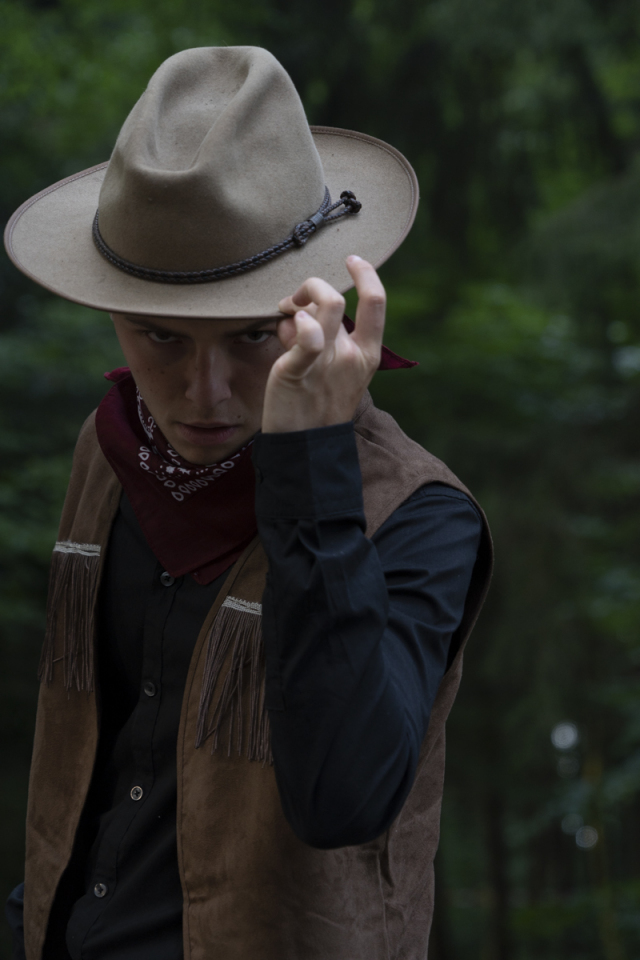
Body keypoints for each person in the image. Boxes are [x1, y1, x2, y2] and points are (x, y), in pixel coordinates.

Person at [3, 45, 492, 960]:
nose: (207, 393)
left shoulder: (417, 513)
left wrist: (310, 467)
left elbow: (342, 800)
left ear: (324, 309)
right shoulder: (108, 452)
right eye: (160, 338)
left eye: (252, 338)